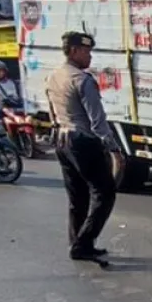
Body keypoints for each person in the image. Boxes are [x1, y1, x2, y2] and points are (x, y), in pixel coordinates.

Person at [45, 32, 121, 262]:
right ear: (75, 51)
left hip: (62, 139)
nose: (90, 57)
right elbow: (97, 121)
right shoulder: (82, 80)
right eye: (87, 52)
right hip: (82, 141)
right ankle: (83, 243)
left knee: (77, 196)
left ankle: (76, 242)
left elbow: (52, 111)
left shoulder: (53, 76)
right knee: (105, 192)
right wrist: (114, 148)